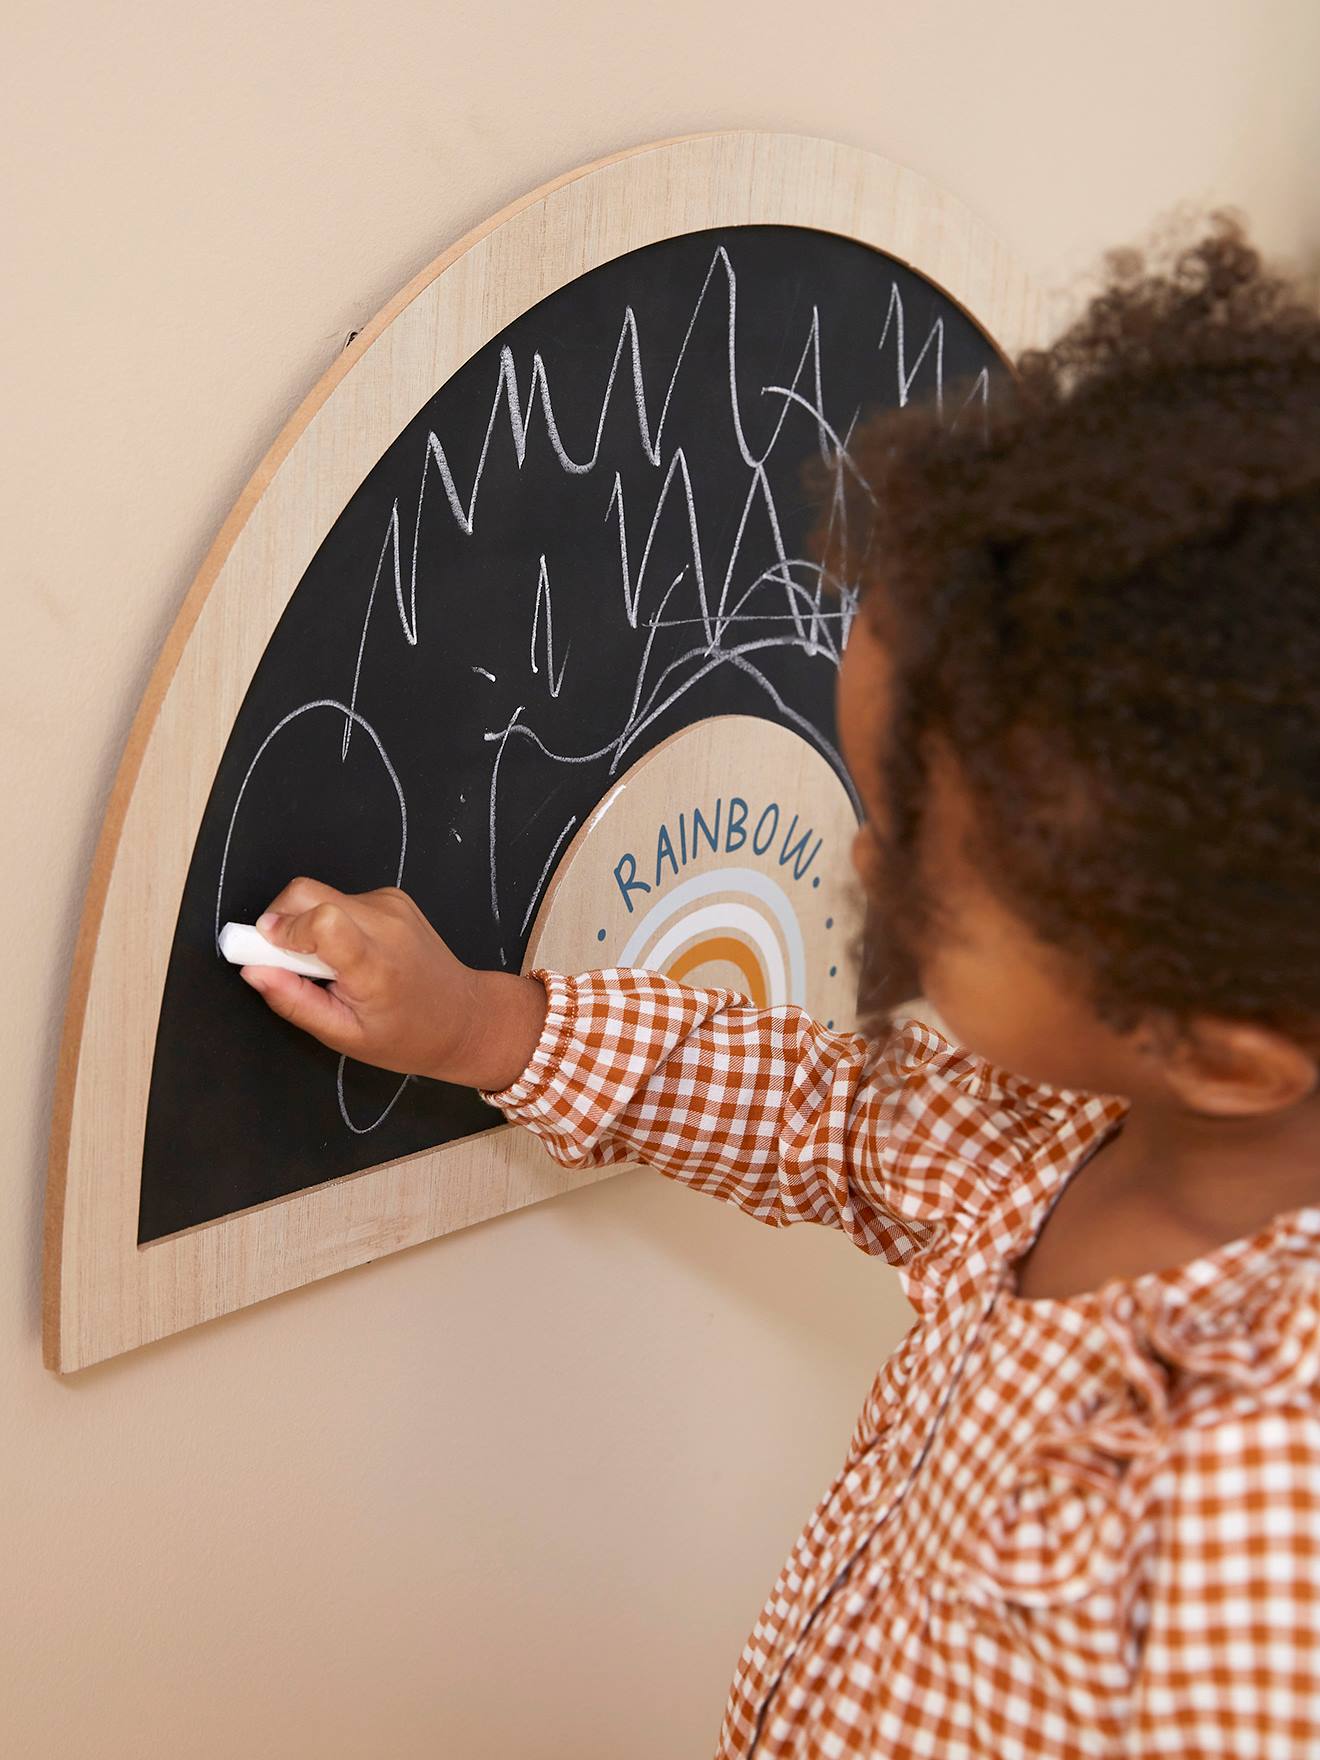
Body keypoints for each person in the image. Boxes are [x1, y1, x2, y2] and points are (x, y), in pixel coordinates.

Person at [238, 217, 1320, 1757]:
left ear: (1223, 1046)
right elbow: (825, 1114)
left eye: (929, 870)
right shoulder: (1069, 1132)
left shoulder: (1262, 1490)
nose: (868, 869)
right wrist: (486, 1021)